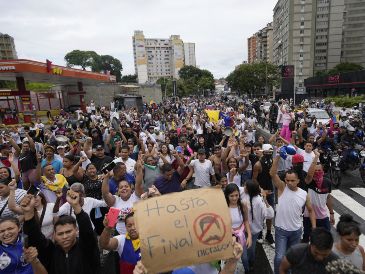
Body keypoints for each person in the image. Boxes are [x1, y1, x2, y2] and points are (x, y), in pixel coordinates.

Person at [22, 190, 101, 274]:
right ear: (54, 235)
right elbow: (36, 238)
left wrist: (76, 205)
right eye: (60, 234)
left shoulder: (86, 247)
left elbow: (87, 231)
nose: (65, 236)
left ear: (76, 231)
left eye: (68, 232)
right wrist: (28, 213)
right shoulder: (51, 251)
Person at [270, 154, 316, 274]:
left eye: (292, 180)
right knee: (279, 257)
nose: (289, 183)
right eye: (287, 180)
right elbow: (272, 174)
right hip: (281, 231)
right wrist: (277, 157)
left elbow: (310, 210)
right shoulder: (281, 188)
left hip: (296, 231)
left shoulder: (304, 194)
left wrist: (314, 227)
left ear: (298, 181)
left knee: (293, 258)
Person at [102, 156, 143, 235]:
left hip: (138, 233)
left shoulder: (136, 196)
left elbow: (139, 183)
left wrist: (139, 168)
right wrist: (106, 178)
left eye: (126, 186)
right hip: (120, 235)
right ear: (118, 191)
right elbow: (105, 193)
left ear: (131, 189)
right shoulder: (115, 200)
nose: (124, 188)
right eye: (121, 187)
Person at [241, 179, 275, 272]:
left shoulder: (259, 201)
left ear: (250, 189)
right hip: (242, 230)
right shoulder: (243, 193)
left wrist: (265, 200)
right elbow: (234, 189)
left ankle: (251, 264)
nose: (243, 187)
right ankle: (247, 267)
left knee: (250, 250)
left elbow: (270, 214)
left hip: (254, 231)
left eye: (245, 186)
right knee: (244, 254)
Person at [224, 183, 252, 273]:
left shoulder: (242, 205)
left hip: (241, 235)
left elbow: (246, 221)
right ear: (227, 196)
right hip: (229, 237)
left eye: (236, 195)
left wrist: (250, 236)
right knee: (230, 257)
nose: (234, 198)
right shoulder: (224, 208)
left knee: (244, 257)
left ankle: (247, 270)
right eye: (231, 196)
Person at [252, 143, 275, 247]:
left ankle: (269, 234)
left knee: (270, 214)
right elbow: (254, 180)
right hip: (261, 192)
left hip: (270, 191)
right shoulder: (258, 165)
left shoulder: (273, 161)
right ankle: (260, 232)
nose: (269, 154)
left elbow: (274, 175)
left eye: (271, 153)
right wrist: (261, 191)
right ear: (263, 152)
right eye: (267, 153)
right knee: (260, 214)